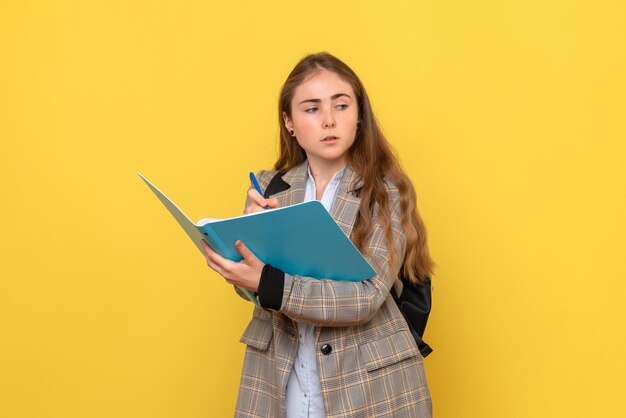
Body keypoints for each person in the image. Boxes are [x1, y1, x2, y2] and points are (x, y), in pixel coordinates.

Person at [200, 52, 434, 418]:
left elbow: (365, 298)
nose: (329, 121)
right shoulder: (269, 188)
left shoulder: (386, 192)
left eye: (341, 106)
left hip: (369, 389)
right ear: (289, 122)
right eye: (311, 109)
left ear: (359, 116)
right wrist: (239, 254)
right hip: (279, 382)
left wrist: (268, 281)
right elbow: (253, 289)